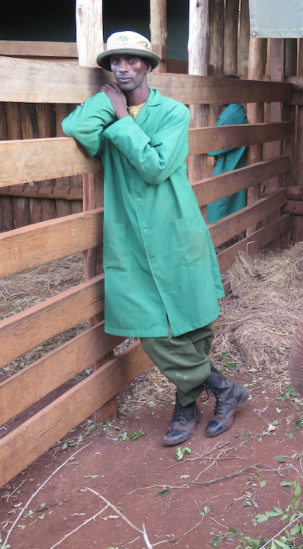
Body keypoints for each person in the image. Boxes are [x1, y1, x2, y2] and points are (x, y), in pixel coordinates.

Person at [62, 31, 249, 446]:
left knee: (193, 323)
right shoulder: (107, 109)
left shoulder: (173, 113)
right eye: (116, 62)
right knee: (151, 328)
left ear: (148, 65)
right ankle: (222, 389)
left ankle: (185, 405)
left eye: (132, 61)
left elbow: (156, 166)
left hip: (175, 228)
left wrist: (123, 120)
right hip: (130, 236)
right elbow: (74, 126)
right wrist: (106, 103)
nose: (123, 68)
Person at [207, 75, 248, 223]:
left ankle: (221, 244)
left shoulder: (229, 116)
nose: (218, 93)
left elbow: (212, 148)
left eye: (222, 89)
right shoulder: (238, 110)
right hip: (235, 165)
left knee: (217, 206)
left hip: (227, 167)